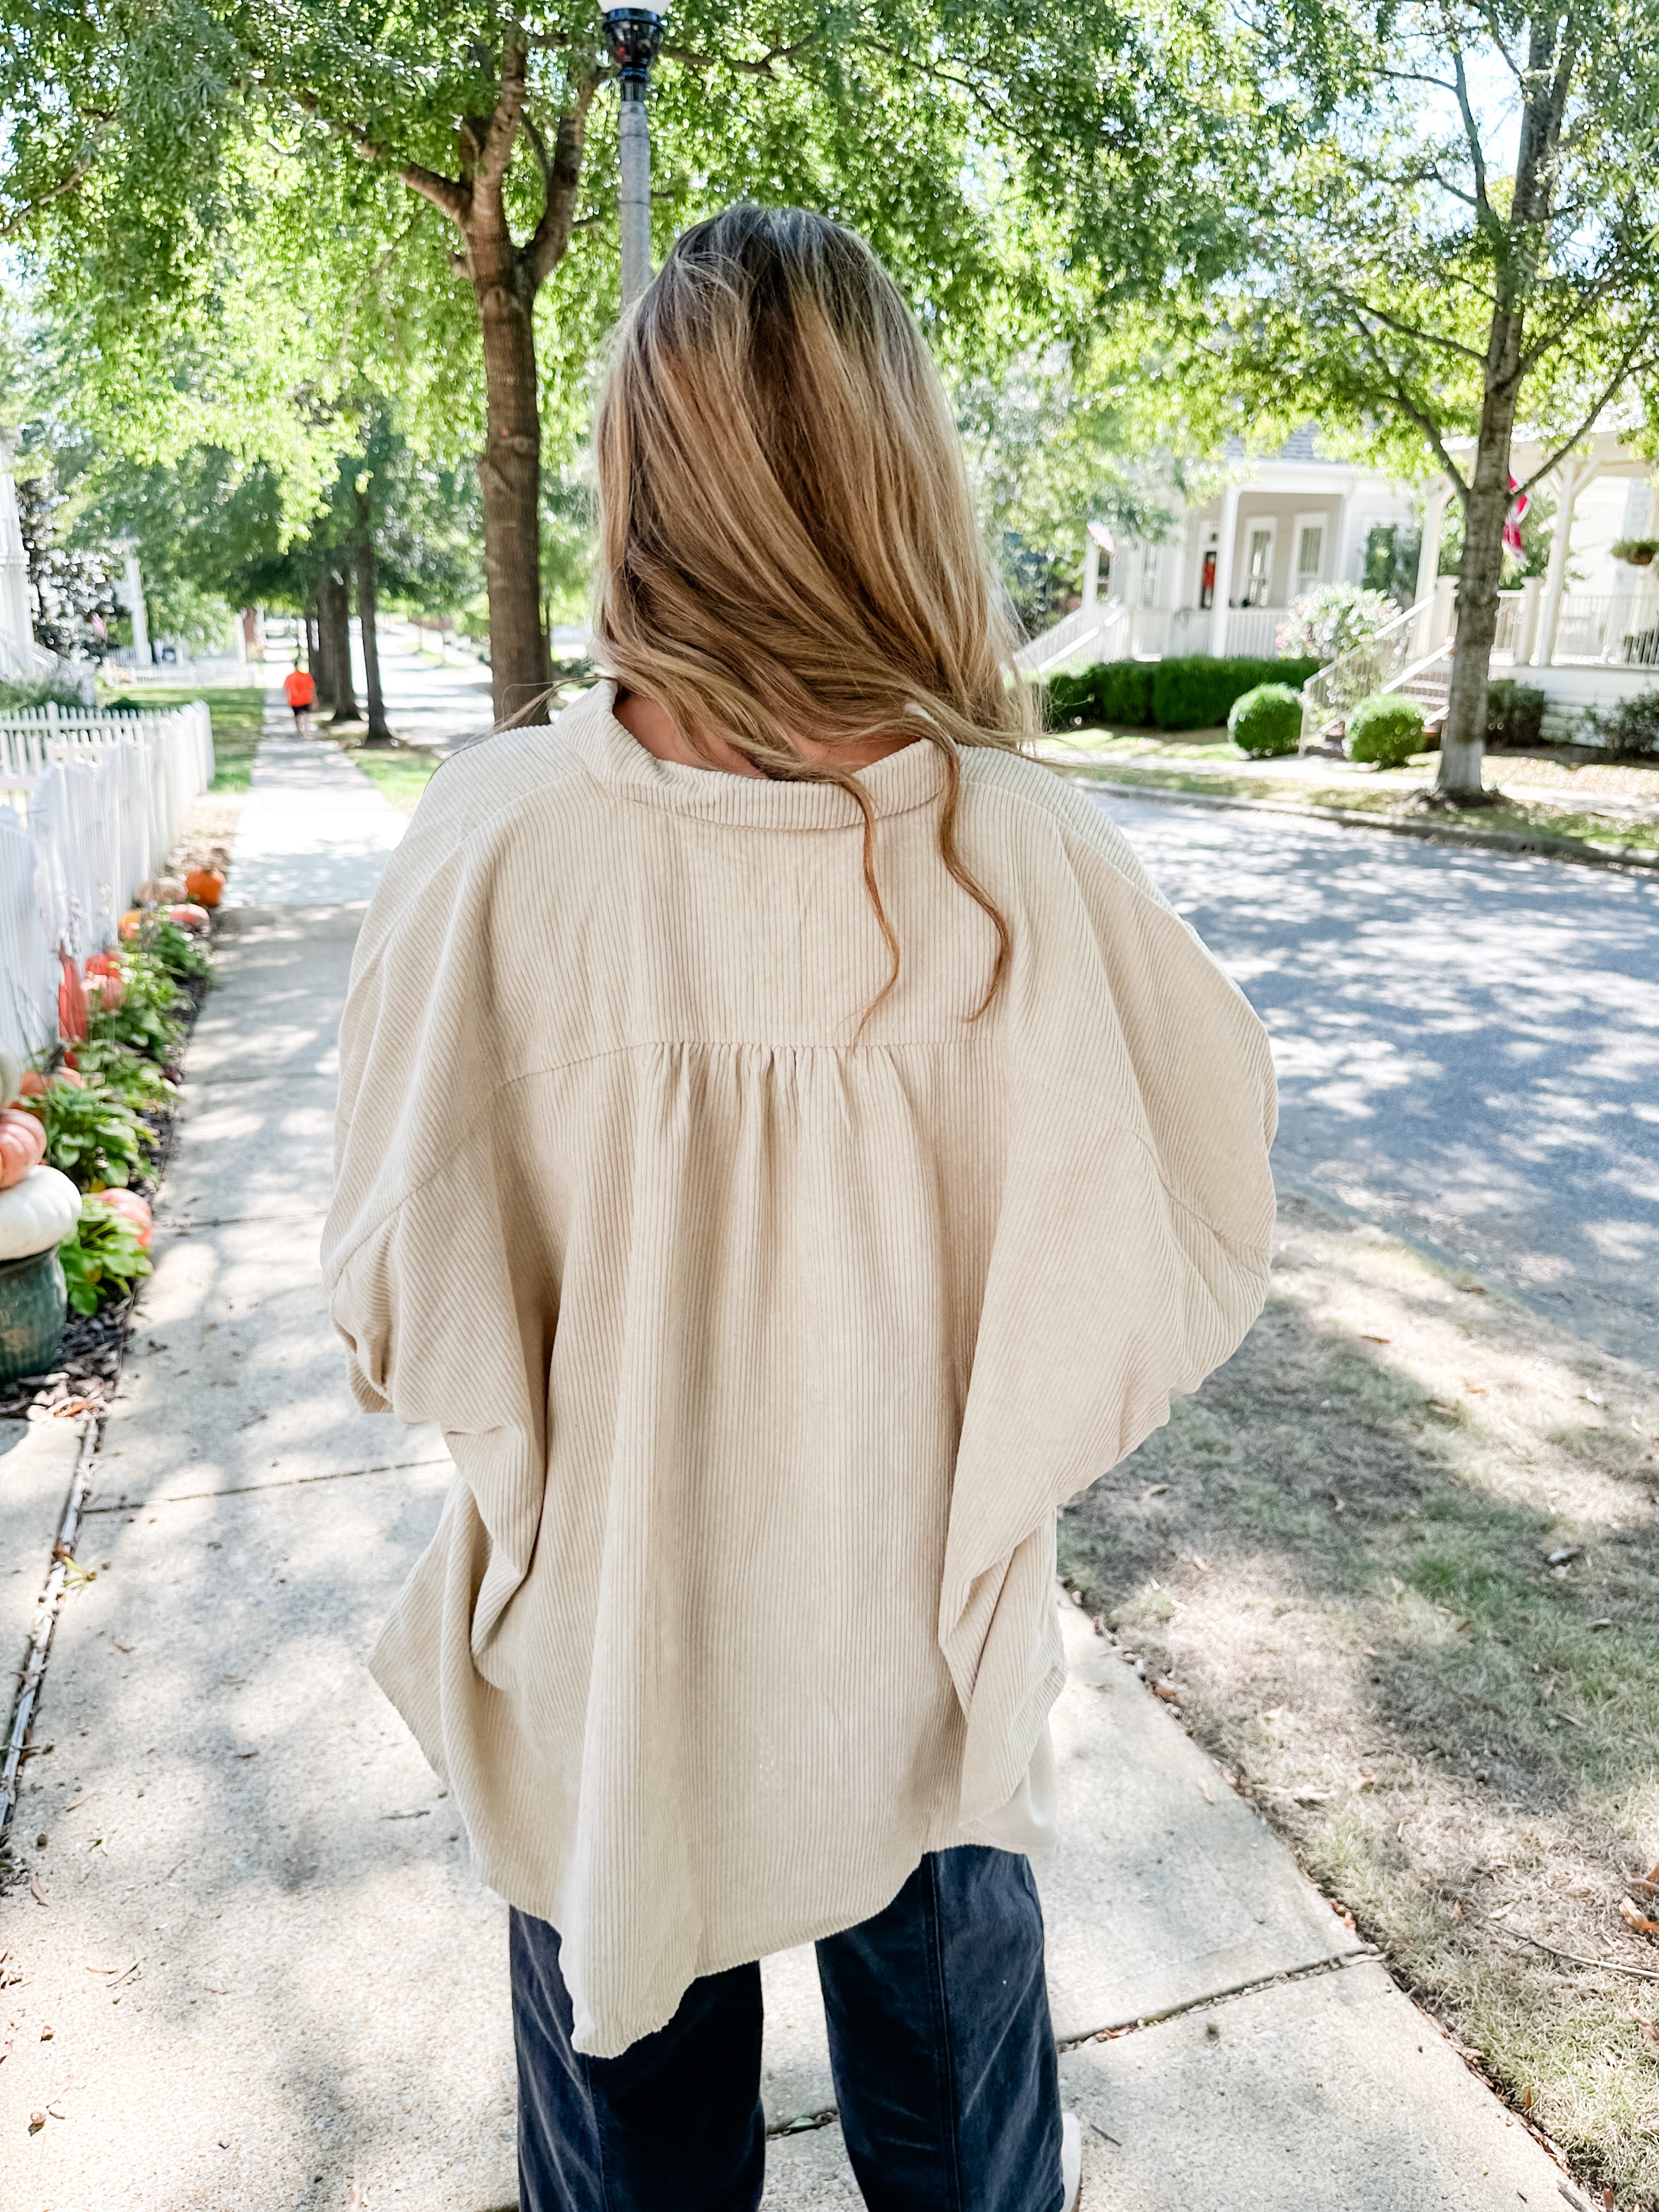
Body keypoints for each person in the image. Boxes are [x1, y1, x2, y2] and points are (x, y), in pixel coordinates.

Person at [323, 206, 1276, 2212]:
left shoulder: (503, 846)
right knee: (961, 2152)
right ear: (899, 470)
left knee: (631, 2160)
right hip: (912, 1635)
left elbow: (394, 1287)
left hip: (607, 1633)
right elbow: (1176, 1235)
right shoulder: (1024, 858)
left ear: (636, 476)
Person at [283, 662, 316, 727]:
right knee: (306, 714)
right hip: (306, 699)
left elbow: (286, 689)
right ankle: (306, 730)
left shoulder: (290, 677)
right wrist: (314, 700)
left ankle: (298, 729)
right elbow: (312, 688)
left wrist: (288, 699)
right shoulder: (307, 676)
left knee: (296, 716)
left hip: (294, 700)